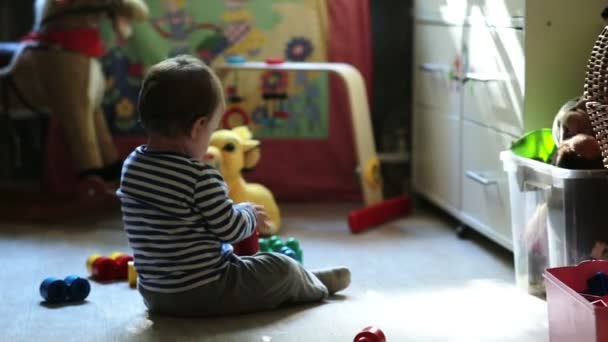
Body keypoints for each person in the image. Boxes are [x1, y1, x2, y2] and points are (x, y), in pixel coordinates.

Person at [116, 55, 350, 317]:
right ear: (198, 127)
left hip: (155, 294)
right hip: (205, 291)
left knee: (248, 264)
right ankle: (311, 286)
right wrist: (248, 213)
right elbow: (231, 229)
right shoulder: (200, 176)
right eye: (212, 130)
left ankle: (303, 278)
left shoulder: (131, 165)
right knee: (280, 267)